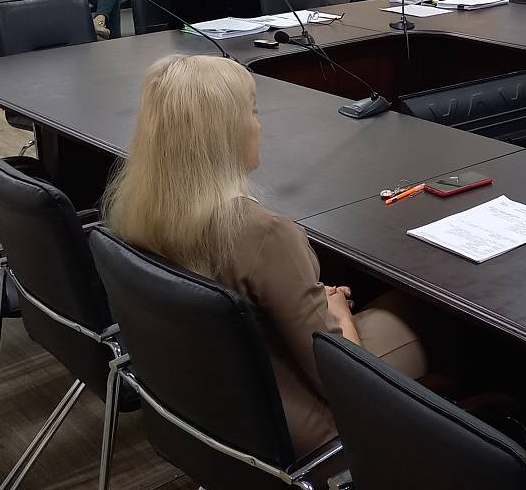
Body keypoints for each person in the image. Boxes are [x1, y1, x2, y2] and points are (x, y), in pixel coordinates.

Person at [103, 55, 430, 457]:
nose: (258, 126)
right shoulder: (263, 234)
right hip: (300, 428)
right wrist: (338, 314)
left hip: (205, 408)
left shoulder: (134, 210)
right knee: (424, 314)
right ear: (226, 133)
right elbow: (338, 376)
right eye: (252, 112)